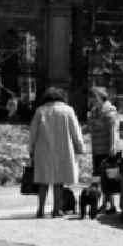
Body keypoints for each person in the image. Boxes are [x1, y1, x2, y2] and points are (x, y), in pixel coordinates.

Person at [28, 87, 85, 218]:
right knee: (59, 181)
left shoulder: (40, 111)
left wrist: (31, 149)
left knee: (43, 180)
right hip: (63, 150)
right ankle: (56, 210)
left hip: (43, 150)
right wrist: (80, 147)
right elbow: (75, 130)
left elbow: (33, 133)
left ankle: (40, 210)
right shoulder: (68, 110)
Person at [88, 86, 120, 214]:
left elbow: (113, 130)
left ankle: (110, 205)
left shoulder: (109, 111)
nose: (92, 100)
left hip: (107, 149)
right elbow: (91, 126)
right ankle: (104, 204)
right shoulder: (95, 111)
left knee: (109, 177)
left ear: (101, 97)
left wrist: (113, 146)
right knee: (99, 177)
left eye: (94, 97)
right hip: (97, 148)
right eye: (91, 98)